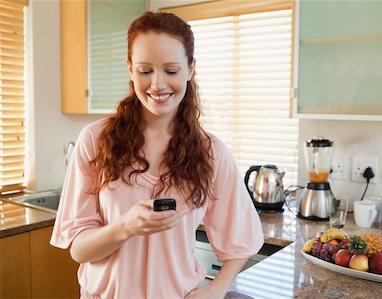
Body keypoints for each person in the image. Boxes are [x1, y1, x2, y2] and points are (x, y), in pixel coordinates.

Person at [50, 11, 264, 299]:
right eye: (145, 70)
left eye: (171, 70)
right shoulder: (95, 140)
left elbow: (242, 239)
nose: (158, 84)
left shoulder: (211, 153)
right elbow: (78, 249)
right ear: (130, 68)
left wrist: (217, 288)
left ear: (190, 69)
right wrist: (125, 227)